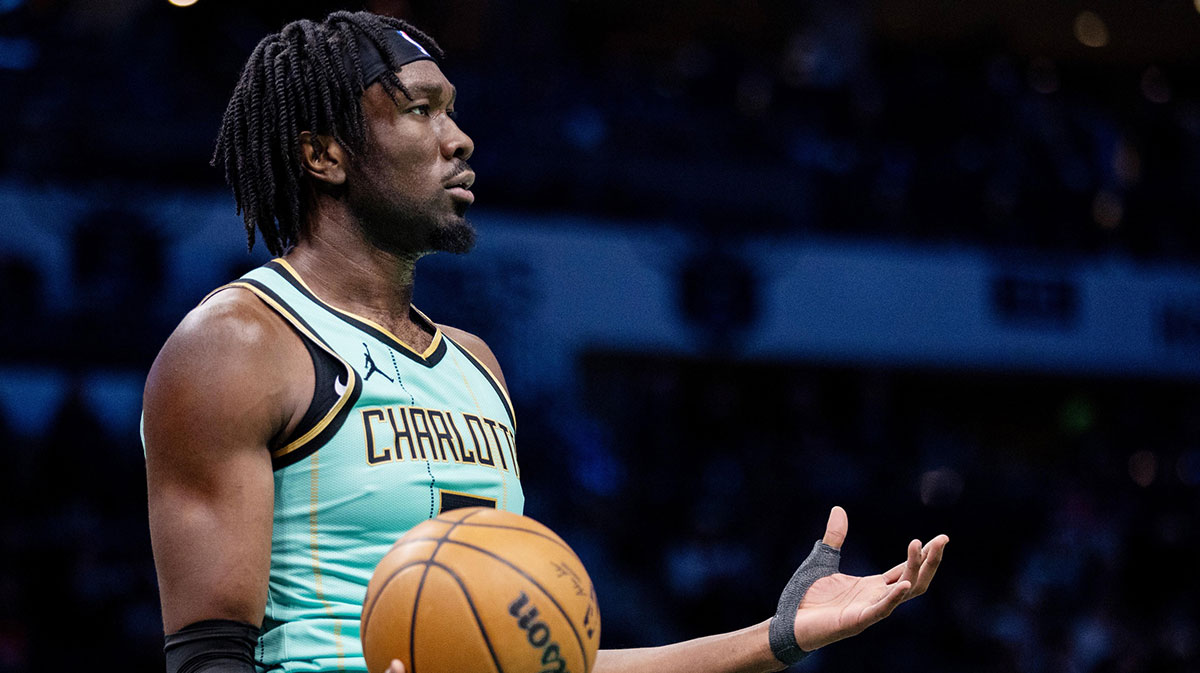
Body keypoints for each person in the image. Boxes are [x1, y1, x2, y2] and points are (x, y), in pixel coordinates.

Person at [142, 11, 948, 673]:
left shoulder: (476, 367)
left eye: (451, 107)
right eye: (420, 109)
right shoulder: (240, 343)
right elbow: (208, 659)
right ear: (322, 154)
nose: (459, 138)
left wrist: (778, 637)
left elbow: (550, 657)